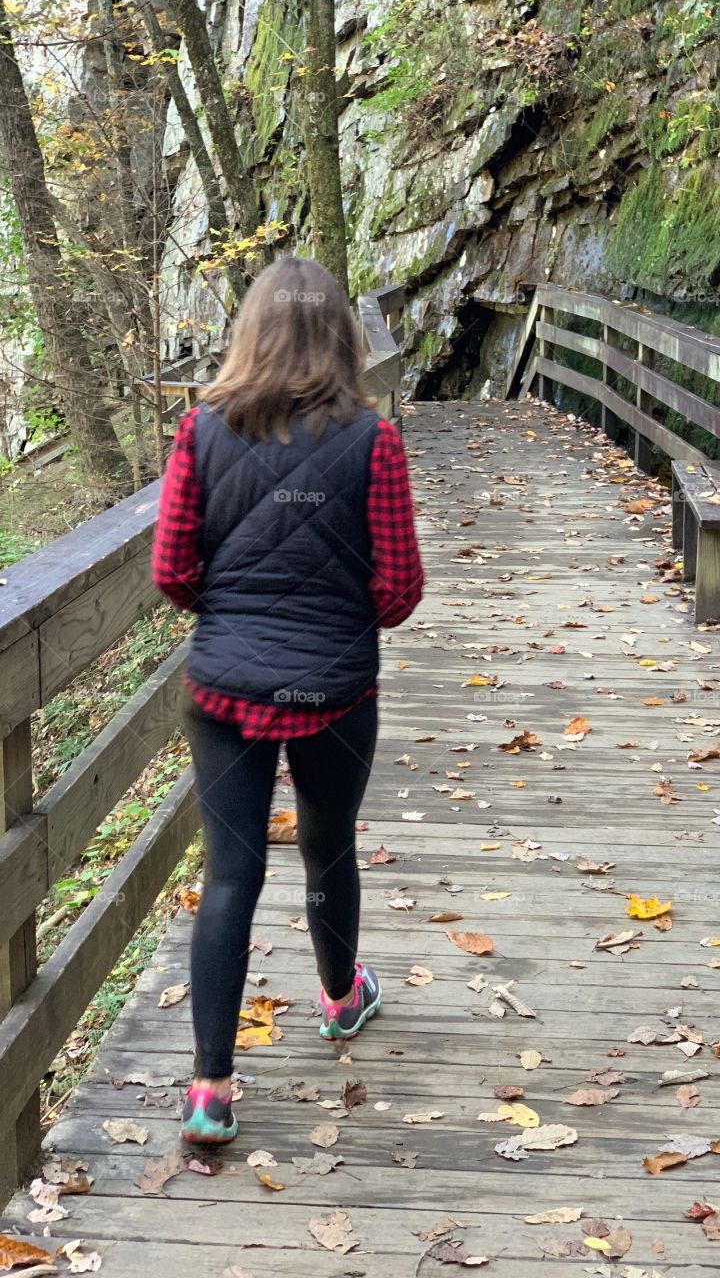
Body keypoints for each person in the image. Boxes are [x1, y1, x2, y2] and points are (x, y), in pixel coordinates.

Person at [151, 257, 424, 1145]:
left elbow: (173, 572)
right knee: (328, 845)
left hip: (223, 691)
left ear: (252, 332)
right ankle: (342, 1000)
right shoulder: (374, 442)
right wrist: (337, 619)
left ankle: (209, 1091)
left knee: (230, 874)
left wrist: (234, 623)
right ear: (338, 333)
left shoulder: (199, 433)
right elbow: (399, 591)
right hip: (336, 694)